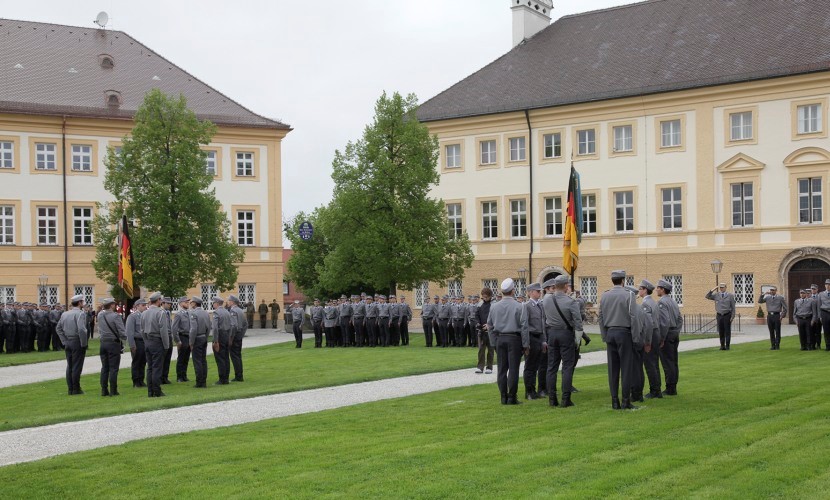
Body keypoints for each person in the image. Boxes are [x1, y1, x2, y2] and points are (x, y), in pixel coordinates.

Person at [598, 270, 642, 410]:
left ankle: (614, 401)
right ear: (623, 281)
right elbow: (633, 317)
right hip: (624, 333)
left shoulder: (605, 295)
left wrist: (604, 335)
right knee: (626, 368)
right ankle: (625, 401)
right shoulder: (628, 295)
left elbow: (601, 317)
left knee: (613, 369)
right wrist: (635, 337)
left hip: (610, 333)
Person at [542, 275, 582, 407]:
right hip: (566, 334)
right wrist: (577, 340)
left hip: (552, 333)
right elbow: (578, 323)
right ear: (565, 286)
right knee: (567, 366)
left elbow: (545, 318)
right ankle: (566, 399)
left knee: (552, 367)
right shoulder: (570, 302)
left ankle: (552, 399)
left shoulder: (546, 300)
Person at [487, 278, 528, 405]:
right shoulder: (519, 306)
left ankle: (503, 397)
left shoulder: (494, 307)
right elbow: (524, 327)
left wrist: (493, 342)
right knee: (513, 369)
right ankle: (512, 397)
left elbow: (490, 326)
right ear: (513, 291)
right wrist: (526, 345)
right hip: (514, 339)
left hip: (500, 339)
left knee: (501, 369)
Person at [56, 294, 89, 395]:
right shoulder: (80, 314)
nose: (83, 304)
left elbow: (58, 328)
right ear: (79, 303)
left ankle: (70, 388)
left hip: (68, 342)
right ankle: (76, 388)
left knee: (70, 366)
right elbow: (81, 330)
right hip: (77, 341)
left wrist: (64, 341)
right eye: (82, 302)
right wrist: (84, 343)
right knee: (76, 366)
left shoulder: (65, 314)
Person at [657, 280, 683, 396]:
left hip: (667, 335)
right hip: (673, 333)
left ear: (662, 289)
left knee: (667, 363)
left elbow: (665, 321)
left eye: (658, 288)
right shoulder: (673, 302)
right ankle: (673, 386)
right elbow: (679, 319)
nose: (656, 290)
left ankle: (670, 388)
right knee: (673, 362)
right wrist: (676, 331)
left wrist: (662, 338)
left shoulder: (662, 302)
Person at [142, 293, 171, 397]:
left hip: (148, 341)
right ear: (158, 300)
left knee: (150, 368)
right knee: (157, 367)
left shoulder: (144, 313)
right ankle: (157, 390)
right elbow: (163, 330)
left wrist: (146, 341)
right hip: (157, 341)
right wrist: (166, 345)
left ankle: (150, 391)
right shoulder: (160, 312)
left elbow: (142, 329)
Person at [522, 283, 547, 400]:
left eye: (540, 291)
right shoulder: (527, 306)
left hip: (538, 337)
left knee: (536, 365)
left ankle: (534, 390)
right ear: (530, 292)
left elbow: (542, 325)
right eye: (537, 291)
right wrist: (526, 344)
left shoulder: (540, 305)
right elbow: (525, 326)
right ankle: (529, 391)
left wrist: (544, 341)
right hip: (531, 337)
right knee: (529, 366)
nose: (539, 293)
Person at [639, 280, 664, 399]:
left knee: (650, 364)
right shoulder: (653, 302)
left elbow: (648, 324)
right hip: (656, 333)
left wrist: (647, 342)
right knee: (654, 363)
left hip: (651, 334)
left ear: (645, 290)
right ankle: (657, 388)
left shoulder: (645, 304)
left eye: (640, 288)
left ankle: (654, 390)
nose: (639, 291)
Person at [97, 298, 127, 396]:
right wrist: (126, 338)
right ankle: (113, 390)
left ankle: (104, 390)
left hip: (103, 343)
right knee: (113, 368)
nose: (115, 306)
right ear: (111, 305)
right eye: (114, 304)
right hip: (113, 344)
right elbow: (122, 332)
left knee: (105, 367)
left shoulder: (100, 315)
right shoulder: (116, 317)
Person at [706, 283, 736, 350]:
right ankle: (722, 345)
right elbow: (707, 296)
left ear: (726, 287)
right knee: (721, 331)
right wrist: (713, 289)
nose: (721, 289)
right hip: (719, 315)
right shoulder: (717, 295)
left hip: (727, 315)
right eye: (720, 287)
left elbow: (733, 307)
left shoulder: (730, 295)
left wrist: (732, 316)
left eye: (723, 287)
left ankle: (727, 346)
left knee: (727, 331)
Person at [188, 296, 210, 388]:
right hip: (203, 337)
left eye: (191, 302)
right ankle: (203, 381)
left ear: (195, 303)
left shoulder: (194, 314)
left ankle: (199, 382)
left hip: (197, 338)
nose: (190, 303)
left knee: (197, 361)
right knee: (203, 360)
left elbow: (193, 329)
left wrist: (191, 342)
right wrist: (206, 336)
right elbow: (209, 327)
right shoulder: (205, 313)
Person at [126, 299, 148, 387]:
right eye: (143, 305)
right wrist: (132, 345)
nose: (145, 307)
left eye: (145, 305)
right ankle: (136, 381)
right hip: (137, 341)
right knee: (136, 362)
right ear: (137, 306)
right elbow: (129, 332)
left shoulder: (145, 316)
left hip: (144, 341)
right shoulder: (132, 317)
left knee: (143, 362)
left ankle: (141, 380)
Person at [211, 296, 232, 385]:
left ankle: (222, 379)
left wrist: (215, 341)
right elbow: (231, 325)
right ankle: (226, 378)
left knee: (220, 358)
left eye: (213, 303)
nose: (213, 304)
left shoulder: (216, 313)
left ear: (216, 303)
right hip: (226, 335)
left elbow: (215, 328)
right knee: (226, 357)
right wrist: (230, 337)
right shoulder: (227, 312)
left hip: (220, 335)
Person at [759, 286, 787, 350]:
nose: (772, 291)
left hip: (777, 315)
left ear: (776, 290)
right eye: (771, 290)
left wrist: (782, 316)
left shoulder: (780, 298)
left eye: (773, 290)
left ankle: (777, 345)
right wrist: (763, 294)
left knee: (777, 331)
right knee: (771, 331)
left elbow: (785, 308)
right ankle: (772, 345)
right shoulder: (767, 297)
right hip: (770, 316)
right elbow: (760, 301)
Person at [228, 295, 248, 381]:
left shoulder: (233, 311)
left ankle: (238, 376)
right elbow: (246, 324)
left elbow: (234, 326)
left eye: (229, 301)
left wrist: (231, 338)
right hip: (239, 336)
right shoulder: (241, 311)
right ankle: (240, 375)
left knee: (235, 356)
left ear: (232, 302)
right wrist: (241, 335)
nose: (228, 302)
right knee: (238, 356)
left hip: (235, 337)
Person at [172, 297, 192, 382]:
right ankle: (179, 377)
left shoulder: (189, 313)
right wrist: (177, 341)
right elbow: (174, 329)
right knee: (181, 358)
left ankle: (184, 375)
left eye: (188, 302)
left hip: (189, 337)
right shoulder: (178, 314)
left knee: (186, 358)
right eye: (185, 302)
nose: (187, 303)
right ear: (180, 304)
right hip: (182, 336)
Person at [475, 288, 494, 374]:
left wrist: (489, 325)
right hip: (481, 330)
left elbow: (496, 317)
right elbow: (476, 315)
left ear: (490, 296)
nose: (484, 298)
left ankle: (489, 367)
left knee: (490, 349)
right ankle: (480, 367)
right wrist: (478, 323)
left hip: (491, 331)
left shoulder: (494, 305)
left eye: (486, 297)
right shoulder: (480, 305)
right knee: (481, 350)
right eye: (483, 297)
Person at [160, 297, 175, 385]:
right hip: (163, 337)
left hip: (169, 336)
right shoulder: (160, 312)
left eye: (170, 304)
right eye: (168, 303)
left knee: (168, 358)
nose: (169, 305)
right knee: (162, 358)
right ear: (163, 303)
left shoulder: (168, 313)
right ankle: (161, 377)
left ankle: (165, 377)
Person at [816, 279, 830, 350]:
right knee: (826, 330)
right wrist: (819, 316)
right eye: (826, 284)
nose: (828, 286)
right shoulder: (821, 294)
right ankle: (827, 345)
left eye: (829, 284)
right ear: (825, 285)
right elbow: (818, 306)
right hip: (824, 312)